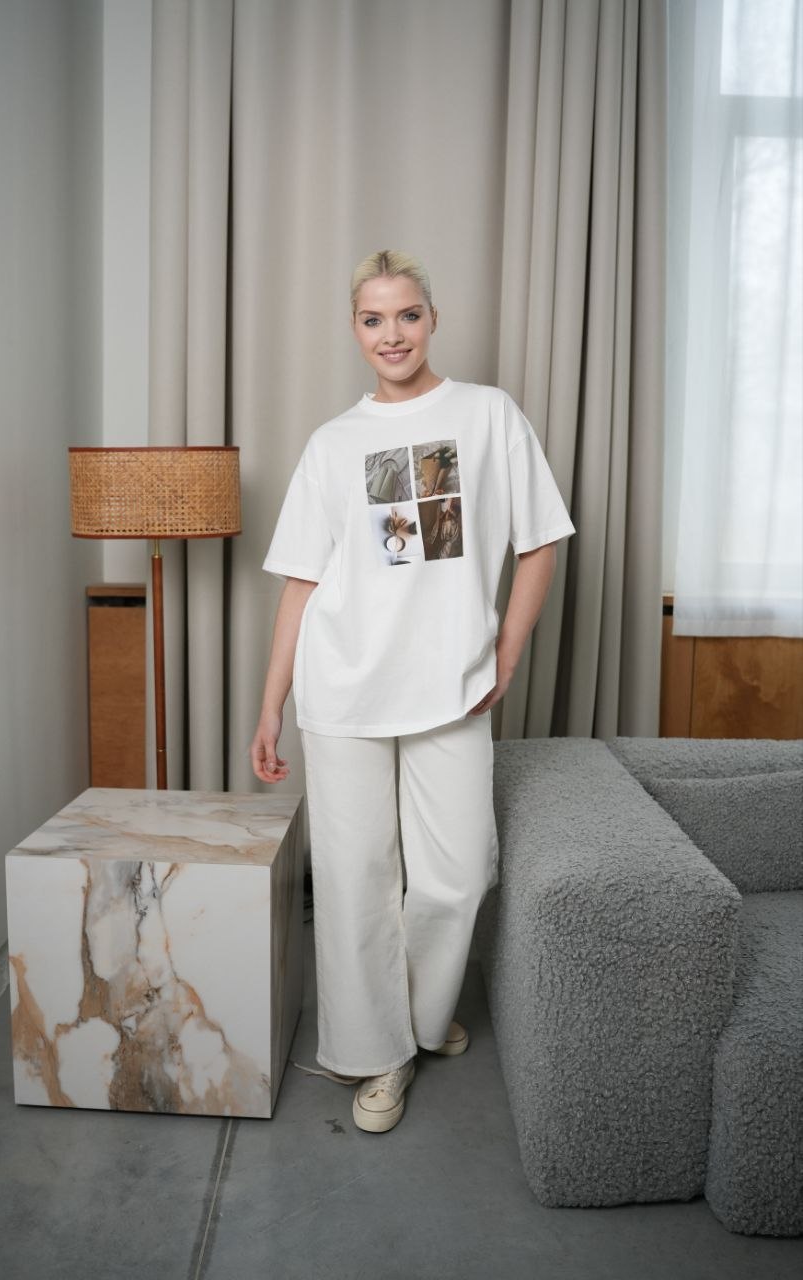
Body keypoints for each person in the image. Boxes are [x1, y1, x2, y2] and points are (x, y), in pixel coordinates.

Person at [250, 250, 574, 1134]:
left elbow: (541, 541)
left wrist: (506, 656)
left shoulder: (487, 414)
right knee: (354, 877)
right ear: (354, 329)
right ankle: (377, 1053)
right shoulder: (332, 443)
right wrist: (271, 703)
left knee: (459, 873)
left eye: (407, 315)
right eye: (373, 319)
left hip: (451, 685)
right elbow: (303, 582)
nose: (391, 334)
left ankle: (421, 1017)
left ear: (432, 319)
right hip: (344, 688)